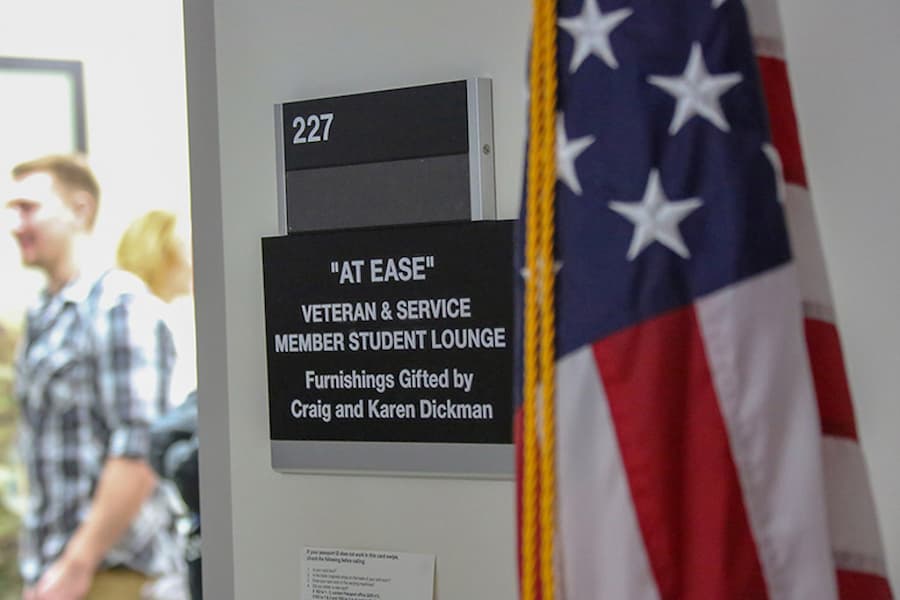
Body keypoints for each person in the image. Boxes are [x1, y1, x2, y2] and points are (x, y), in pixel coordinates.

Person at [5, 155, 183, 600]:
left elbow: (138, 452)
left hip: (110, 575)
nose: (15, 224)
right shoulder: (43, 316)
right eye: (11, 210)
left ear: (80, 209)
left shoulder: (118, 306)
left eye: (28, 208)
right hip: (56, 573)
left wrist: (75, 566)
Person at [117, 210, 201, 599]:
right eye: (186, 244)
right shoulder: (144, 315)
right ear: (162, 250)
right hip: (142, 543)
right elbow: (145, 437)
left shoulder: (163, 314)